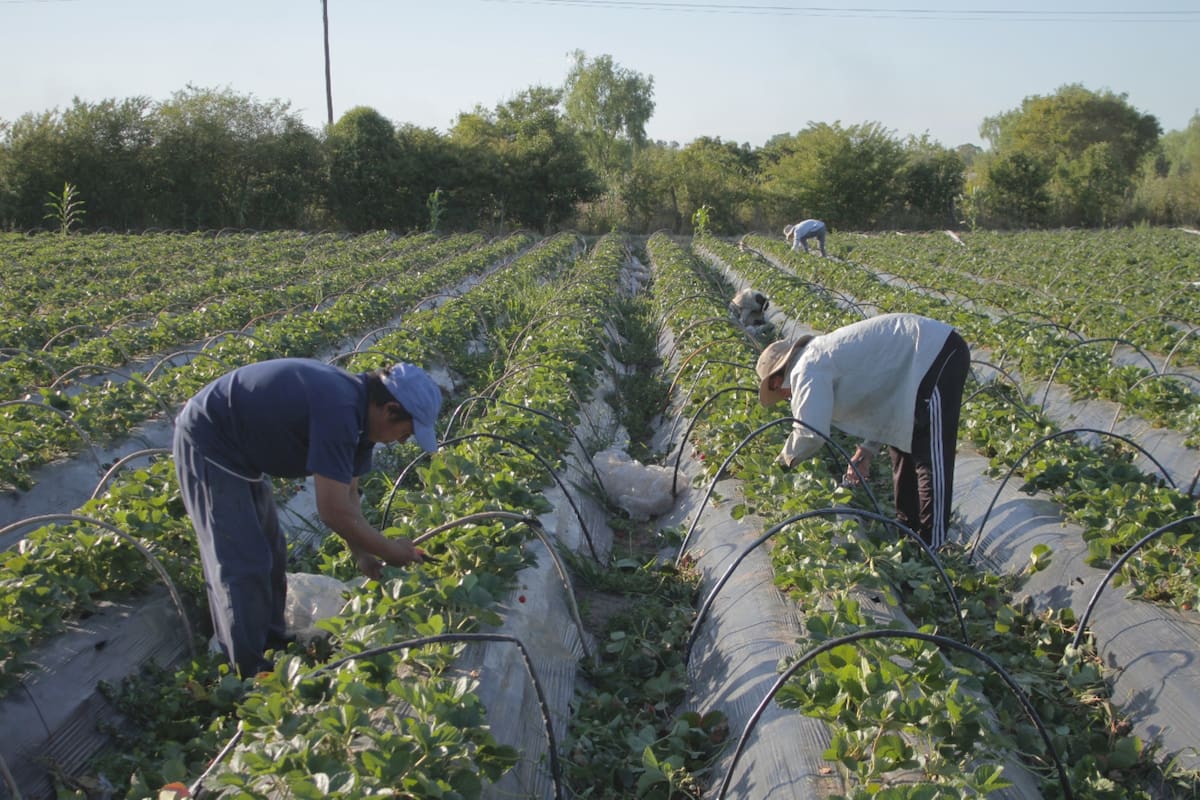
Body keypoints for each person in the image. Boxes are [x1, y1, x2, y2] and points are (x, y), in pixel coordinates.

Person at [172, 357, 443, 676]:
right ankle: (247, 674)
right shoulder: (340, 410)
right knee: (244, 561)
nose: (401, 440)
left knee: (272, 552)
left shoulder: (362, 423)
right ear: (390, 409)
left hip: (244, 453)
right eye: (406, 432)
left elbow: (348, 498)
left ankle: (272, 642)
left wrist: (364, 555)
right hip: (210, 441)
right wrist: (391, 550)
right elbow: (331, 511)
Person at [755, 313, 970, 549]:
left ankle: (933, 545)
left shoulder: (806, 368)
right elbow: (883, 402)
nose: (784, 397)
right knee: (901, 448)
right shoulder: (815, 360)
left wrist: (781, 466)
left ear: (776, 381)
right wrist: (868, 450)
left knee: (929, 453)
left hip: (934, 352)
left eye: (778, 392)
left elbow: (810, 432)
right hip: (912, 366)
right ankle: (907, 532)